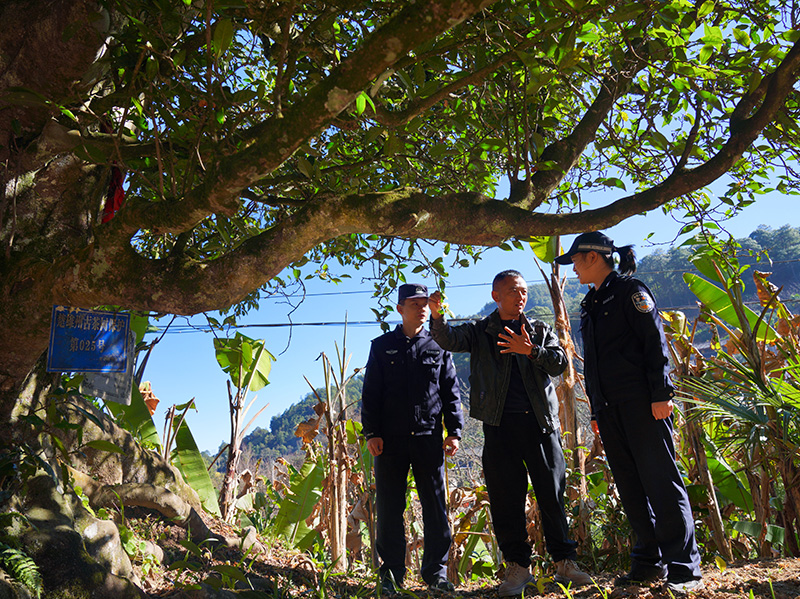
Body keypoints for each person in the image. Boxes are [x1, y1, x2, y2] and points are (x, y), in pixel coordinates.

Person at [554, 231, 703, 594]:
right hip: (609, 409)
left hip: (642, 403)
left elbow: (655, 343)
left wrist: (661, 393)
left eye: (575, 259)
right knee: (631, 487)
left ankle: (684, 569)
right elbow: (599, 363)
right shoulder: (591, 303)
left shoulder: (631, 292)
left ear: (592, 257)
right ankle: (647, 563)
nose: (572, 267)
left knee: (661, 483)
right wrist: (595, 410)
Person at [429, 271, 592, 596]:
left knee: (551, 493)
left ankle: (565, 563)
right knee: (506, 500)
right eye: (513, 291)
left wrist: (530, 350)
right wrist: (437, 316)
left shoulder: (539, 330)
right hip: (499, 427)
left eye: (523, 292)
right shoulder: (481, 331)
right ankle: (518, 568)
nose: (520, 297)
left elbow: (560, 363)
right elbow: (449, 339)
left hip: (541, 425)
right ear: (496, 296)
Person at [361, 283, 464, 595]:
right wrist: (372, 432)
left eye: (425, 303)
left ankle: (436, 573)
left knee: (434, 508)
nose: (421, 308)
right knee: (390, 508)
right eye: (414, 303)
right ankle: (390, 574)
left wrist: (454, 431)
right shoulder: (381, 347)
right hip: (389, 442)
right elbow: (371, 393)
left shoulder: (438, 344)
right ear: (400, 308)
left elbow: (451, 391)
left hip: (428, 438)